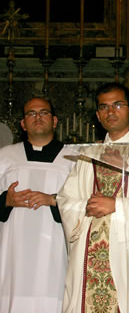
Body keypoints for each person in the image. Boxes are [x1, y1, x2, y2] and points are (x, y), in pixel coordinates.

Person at [57, 83, 129, 313]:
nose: (111, 112)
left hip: (128, 250)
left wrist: (116, 205)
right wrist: (87, 206)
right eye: (104, 107)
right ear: (97, 115)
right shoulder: (88, 154)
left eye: (118, 105)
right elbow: (65, 199)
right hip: (88, 251)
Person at [0, 97, 76, 312]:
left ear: (54, 121)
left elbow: (84, 203)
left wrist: (54, 200)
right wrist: (5, 200)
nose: (37, 117)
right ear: (23, 124)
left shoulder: (74, 159)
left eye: (43, 112)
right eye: (31, 113)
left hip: (56, 252)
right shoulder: (4, 157)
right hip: (11, 255)